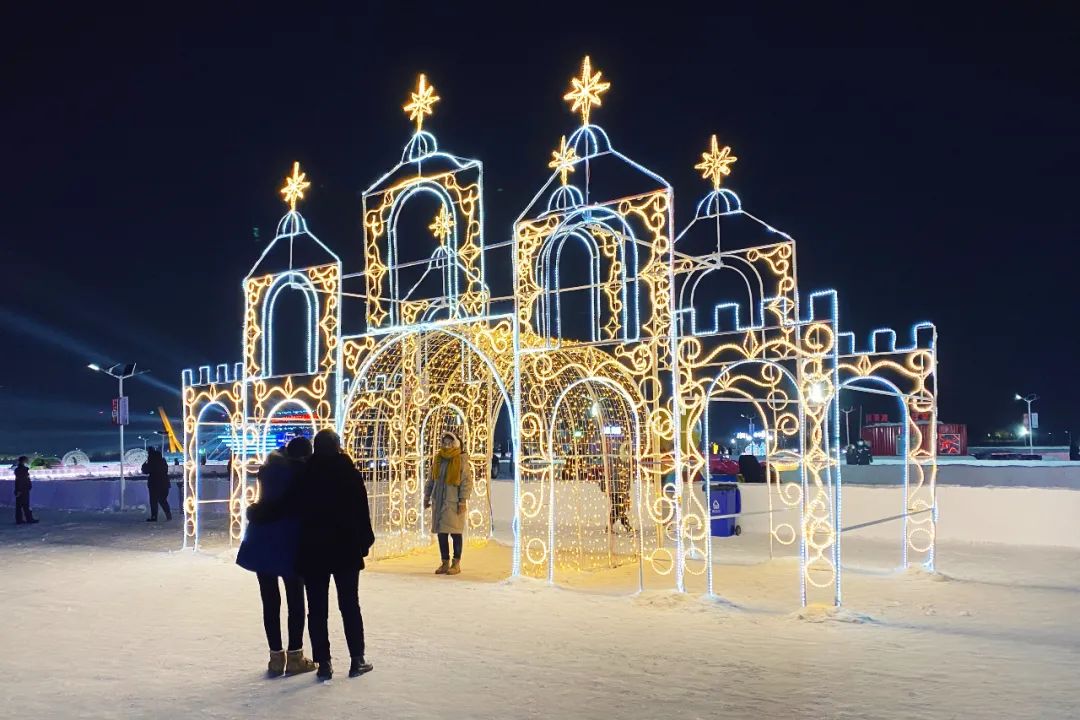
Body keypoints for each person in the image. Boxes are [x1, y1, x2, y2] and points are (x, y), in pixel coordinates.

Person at [297, 429, 374, 681]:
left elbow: (297, 514)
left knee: (317, 609)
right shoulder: (348, 473)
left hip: (314, 550)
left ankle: (325, 662)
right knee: (350, 604)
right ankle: (357, 659)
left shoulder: (306, 474)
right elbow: (362, 511)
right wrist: (364, 542)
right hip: (345, 548)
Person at [238, 437, 318, 677]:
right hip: (289, 540)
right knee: (295, 599)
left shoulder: (269, 471)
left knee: (270, 600)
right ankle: (295, 656)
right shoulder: (302, 475)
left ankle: (275, 658)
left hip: (261, 538)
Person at [424, 431, 472, 576]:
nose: (446, 445)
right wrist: (427, 495)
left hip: (453, 502)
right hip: (438, 501)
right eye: (444, 442)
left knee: (456, 533)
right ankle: (444, 562)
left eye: (449, 442)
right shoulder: (438, 459)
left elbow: (466, 482)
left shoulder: (461, 460)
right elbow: (431, 479)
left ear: (456, 443)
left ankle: (456, 563)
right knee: (442, 533)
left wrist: (462, 500)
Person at [141, 447, 172, 521]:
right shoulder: (162, 461)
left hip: (154, 484)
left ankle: (154, 517)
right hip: (164, 483)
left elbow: (145, 470)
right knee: (163, 500)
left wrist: (145, 463)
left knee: (153, 500)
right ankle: (168, 515)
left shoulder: (151, 461)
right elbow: (165, 470)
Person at [14, 456, 38, 525]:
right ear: (23, 461)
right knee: (25, 505)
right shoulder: (22, 470)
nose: (28, 461)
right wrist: (20, 490)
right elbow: (22, 480)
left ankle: (19, 520)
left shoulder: (19, 469)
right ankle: (29, 519)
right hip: (23, 490)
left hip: (21, 490)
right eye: (26, 460)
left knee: (20, 505)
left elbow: (19, 480)